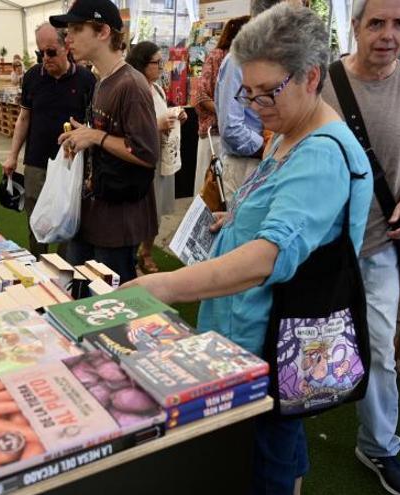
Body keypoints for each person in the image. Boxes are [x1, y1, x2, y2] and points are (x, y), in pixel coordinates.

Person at [125, 5, 371, 493]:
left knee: (265, 456)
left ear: (310, 77)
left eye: (268, 92)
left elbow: (269, 257)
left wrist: (168, 285)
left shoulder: (321, 152)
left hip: (269, 344)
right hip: (252, 337)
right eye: (249, 92)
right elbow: (282, 221)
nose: (257, 105)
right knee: (277, 442)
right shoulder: (292, 133)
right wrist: (232, 220)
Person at [321, 0, 400, 492]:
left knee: (380, 351)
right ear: (356, 26)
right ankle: (285, 417)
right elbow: (278, 149)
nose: (388, 34)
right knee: (301, 335)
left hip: (379, 243)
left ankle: (379, 446)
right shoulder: (319, 81)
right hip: (315, 244)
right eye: (377, 23)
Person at [50, 0, 160, 283]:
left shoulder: (131, 85)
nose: (68, 38)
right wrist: (82, 136)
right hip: (94, 215)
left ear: (103, 32)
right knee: (79, 295)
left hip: (118, 224)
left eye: (77, 28)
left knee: (111, 310)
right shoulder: (104, 82)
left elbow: (146, 154)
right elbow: (111, 134)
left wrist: (95, 136)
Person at [2, 23, 95, 256]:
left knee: (69, 217)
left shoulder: (86, 80)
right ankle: (36, 264)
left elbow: (92, 127)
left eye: (51, 52)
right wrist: (12, 155)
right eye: (40, 53)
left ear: (66, 47)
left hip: (71, 164)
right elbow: (24, 118)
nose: (45, 58)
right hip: (36, 162)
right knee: (36, 220)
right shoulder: (33, 77)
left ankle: (65, 268)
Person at [127, 41, 187, 274]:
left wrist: (175, 115)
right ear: (142, 64)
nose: (162, 66)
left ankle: (146, 252)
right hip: (143, 161)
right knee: (141, 211)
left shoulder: (157, 88)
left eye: (162, 61)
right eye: (157, 62)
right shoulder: (134, 89)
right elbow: (131, 129)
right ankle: (133, 255)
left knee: (157, 211)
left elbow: (162, 115)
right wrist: (157, 124)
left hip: (161, 158)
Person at [193, 15, 249, 198]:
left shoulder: (248, 60)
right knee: (210, 190)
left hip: (236, 138)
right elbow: (200, 96)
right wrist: (226, 110)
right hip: (215, 134)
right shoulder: (218, 56)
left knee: (227, 192)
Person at [215, 13, 264, 200]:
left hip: (262, 160)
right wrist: (264, 146)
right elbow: (230, 127)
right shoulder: (238, 59)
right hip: (243, 163)